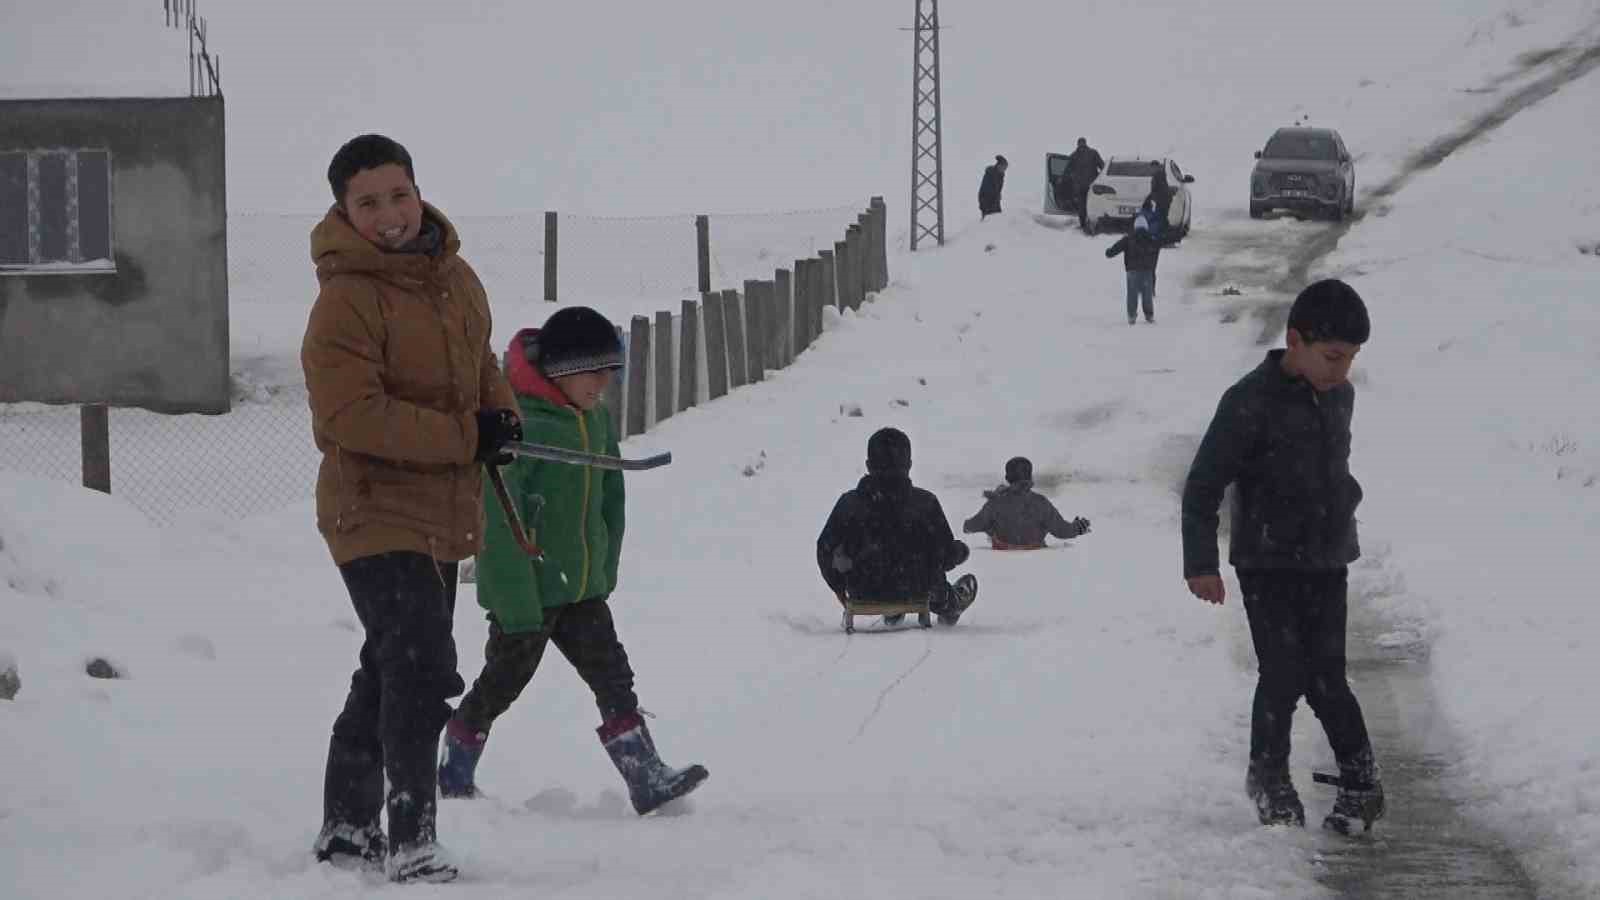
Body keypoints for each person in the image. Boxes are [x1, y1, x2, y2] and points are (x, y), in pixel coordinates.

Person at [302, 133, 522, 884]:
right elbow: (351, 415)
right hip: (371, 510)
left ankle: (346, 825)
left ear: (419, 192)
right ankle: (412, 838)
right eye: (368, 203)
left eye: (399, 195)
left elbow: (481, 363)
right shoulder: (345, 300)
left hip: (442, 508)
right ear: (344, 212)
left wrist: (502, 416)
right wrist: (465, 436)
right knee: (421, 666)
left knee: (391, 664)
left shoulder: (456, 278)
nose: (389, 214)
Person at [438, 306, 709, 816]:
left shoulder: (594, 419)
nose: (604, 384)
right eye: (595, 373)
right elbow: (498, 518)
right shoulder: (518, 424)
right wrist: (515, 601)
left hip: (581, 588)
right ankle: (455, 767)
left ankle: (645, 776)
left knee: (613, 675)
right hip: (530, 591)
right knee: (502, 683)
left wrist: (603, 567)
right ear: (561, 372)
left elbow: (610, 496)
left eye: (610, 373)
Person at [1180, 279, 1385, 835]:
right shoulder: (1248, 402)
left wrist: (1343, 502)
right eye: (1333, 357)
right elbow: (1203, 485)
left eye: (1351, 359)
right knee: (1283, 672)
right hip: (1266, 561)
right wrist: (1201, 563)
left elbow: (1332, 465)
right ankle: (1269, 779)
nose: (1342, 370)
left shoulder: (1339, 394)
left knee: (1329, 678)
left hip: (1326, 558)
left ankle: (1362, 783)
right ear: (1295, 340)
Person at [817, 428, 978, 627]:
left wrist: (839, 587)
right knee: (928, 566)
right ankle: (948, 602)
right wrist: (957, 552)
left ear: (868, 465)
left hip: (863, 590)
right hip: (917, 589)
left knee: (889, 559)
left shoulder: (849, 504)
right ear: (909, 464)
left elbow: (824, 550)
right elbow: (944, 555)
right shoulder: (925, 503)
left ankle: (893, 605)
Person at [962, 456, 1090, 550]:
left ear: (1007, 478)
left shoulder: (995, 503)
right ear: (1030, 477)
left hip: (1002, 558)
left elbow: (969, 527)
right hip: (1036, 557)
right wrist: (1078, 527)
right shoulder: (1041, 503)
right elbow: (1062, 531)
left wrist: (989, 524)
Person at [1104, 212, 1164, 325]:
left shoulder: (1128, 239)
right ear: (1146, 227)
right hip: (1147, 271)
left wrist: (1109, 252)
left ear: (1135, 227)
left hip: (1132, 271)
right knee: (1147, 295)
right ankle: (1149, 315)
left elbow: (1113, 250)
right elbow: (1160, 244)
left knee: (1132, 294)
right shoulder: (1151, 239)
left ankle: (1132, 316)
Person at [1066, 138, 1105, 231]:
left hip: (1079, 186)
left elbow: (1068, 170)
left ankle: (1083, 224)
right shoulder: (1093, 153)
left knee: (1082, 205)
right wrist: (1102, 179)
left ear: (1078, 144)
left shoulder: (1073, 155)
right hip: (1092, 185)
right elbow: (1102, 166)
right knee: (1093, 204)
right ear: (1085, 143)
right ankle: (1094, 224)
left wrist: (1072, 177)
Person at [979, 155, 1008, 219]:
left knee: (998, 219)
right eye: (1004, 167)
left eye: (1006, 168)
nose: (1005, 169)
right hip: (987, 202)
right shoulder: (990, 174)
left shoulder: (1000, 176)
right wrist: (984, 206)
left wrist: (998, 197)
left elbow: (998, 190)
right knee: (988, 221)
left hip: (995, 202)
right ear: (999, 165)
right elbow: (985, 190)